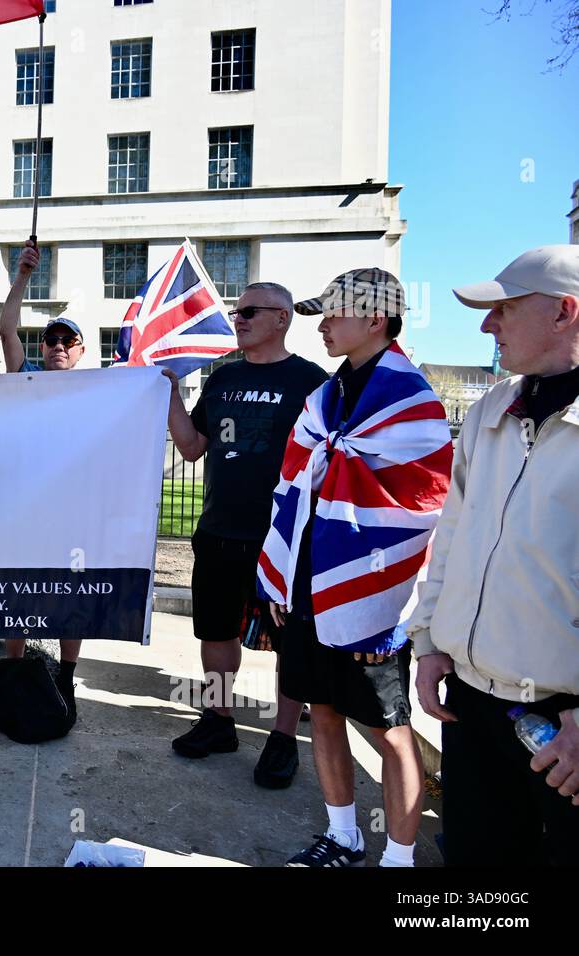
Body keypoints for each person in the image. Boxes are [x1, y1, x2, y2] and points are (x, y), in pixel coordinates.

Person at [261, 269, 452, 867]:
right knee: (322, 708)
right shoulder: (323, 398)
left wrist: (390, 608)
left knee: (388, 728)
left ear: (376, 319)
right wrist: (281, 574)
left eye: (334, 314)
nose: (323, 325)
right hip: (309, 581)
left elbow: (424, 510)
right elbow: (294, 483)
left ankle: (400, 858)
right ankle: (342, 834)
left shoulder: (413, 401)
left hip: (374, 594)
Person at [409, 245, 579, 865]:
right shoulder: (491, 408)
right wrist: (430, 643)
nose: (487, 324)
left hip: (564, 728)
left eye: (504, 308)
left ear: (565, 312)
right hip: (474, 706)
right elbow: (452, 535)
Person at [161, 281, 328, 789]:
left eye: (251, 311)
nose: (240, 319)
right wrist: (169, 394)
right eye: (237, 313)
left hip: (283, 537)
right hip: (218, 531)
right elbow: (192, 447)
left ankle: (282, 738)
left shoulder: (312, 381)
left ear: (282, 318)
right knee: (215, 631)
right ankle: (219, 720)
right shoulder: (222, 379)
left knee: (289, 640)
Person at [0, 241, 88, 714]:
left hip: (71, 510)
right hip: (26, 507)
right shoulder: (25, 373)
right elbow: (6, 327)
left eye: (66, 341)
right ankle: (16, 669)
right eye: (51, 340)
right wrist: (24, 277)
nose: (57, 347)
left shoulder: (97, 390)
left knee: (69, 596)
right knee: (19, 591)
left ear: (80, 350)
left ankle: (66, 676)